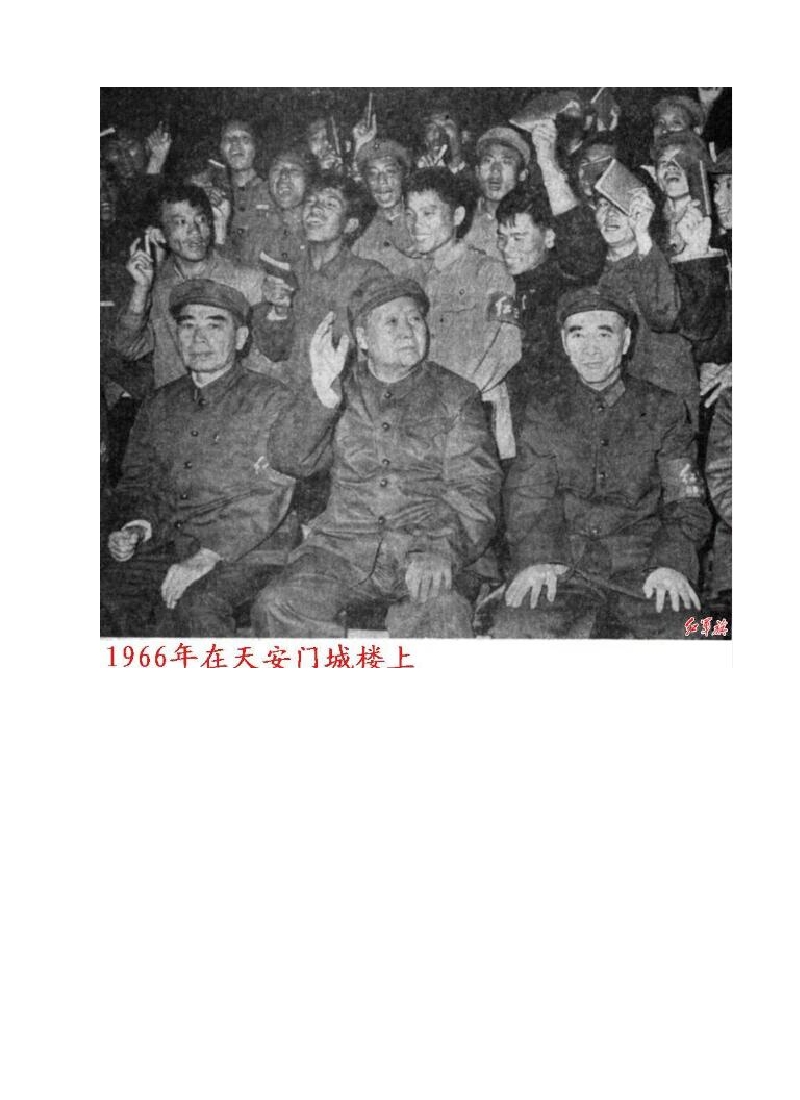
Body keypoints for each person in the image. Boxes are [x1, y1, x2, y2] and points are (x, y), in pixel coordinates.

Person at [252, 273, 502, 638]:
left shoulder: (456, 395)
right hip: (342, 551)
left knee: (442, 611)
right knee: (278, 604)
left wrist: (440, 549)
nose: (408, 331)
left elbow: (476, 489)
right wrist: (321, 396)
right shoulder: (338, 387)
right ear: (364, 339)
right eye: (392, 322)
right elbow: (288, 459)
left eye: (415, 319)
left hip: (426, 548)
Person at [102, 280, 317, 637]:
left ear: (240, 338)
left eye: (214, 326)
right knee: (109, 593)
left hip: (251, 550)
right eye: (188, 326)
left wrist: (207, 556)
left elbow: (270, 493)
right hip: (170, 542)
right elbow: (139, 481)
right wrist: (137, 527)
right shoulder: (159, 403)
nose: (198, 338)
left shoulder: (271, 400)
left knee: (197, 607)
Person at [493, 287, 711, 639]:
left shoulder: (664, 409)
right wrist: (537, 559)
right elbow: (527, 500)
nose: (590, 348)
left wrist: (671, 565)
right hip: (565, 569)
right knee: (516, 626)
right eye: (578, 334)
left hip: (645, 570)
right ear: (564, 343)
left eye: (604, 334)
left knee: (693, 632)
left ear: (626, 341)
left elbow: (685, 501)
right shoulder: (545, 412)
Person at [397, 167, 522, 458]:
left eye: (428, 213)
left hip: (476, 421)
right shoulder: (409, 280)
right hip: (420, 424)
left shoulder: (490, 273)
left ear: (457, 216)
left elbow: (508, 347)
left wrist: (453, 402)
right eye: (410, 214)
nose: (416, 225)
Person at [115, 183, 269, 389]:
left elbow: (266, 355)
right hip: (176, 404)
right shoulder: (156, 286)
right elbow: (129, 348)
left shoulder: (246, 279)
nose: (195, 231)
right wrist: (141, 290)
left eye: (201, 220)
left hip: (235, 401)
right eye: (181, 222)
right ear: (159, 235)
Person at [495, 184, 605, 431]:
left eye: (518, 238)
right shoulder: (506, 284)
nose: (507, 249)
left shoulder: (565, 291)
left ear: (549, 237)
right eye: (502, 238)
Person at [251, 171, 385, 372]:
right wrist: (280, 311)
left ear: (350, 225)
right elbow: (273, 351)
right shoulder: (287, 273)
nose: (315, 209)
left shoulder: (368, 276)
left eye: (330, 204)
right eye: (311, 201)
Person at [463, 127, 531, 258]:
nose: (495, 170)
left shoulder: (529, 223)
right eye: (488, 161)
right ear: (477, 171)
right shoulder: (463, 215)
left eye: (506, 162)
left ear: (522, 174)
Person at [351, 138, 417, 270]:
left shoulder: (420, 221)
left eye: (390, 171)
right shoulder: (361, 230)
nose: (381, 181)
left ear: (405, 175)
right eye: (372, 174)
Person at [218, 118, 274, 266]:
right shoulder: (214, 193)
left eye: (244, 138)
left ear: (256, 147)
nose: (236, 144)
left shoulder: (273, 192)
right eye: (229, 139)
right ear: (221, 148)